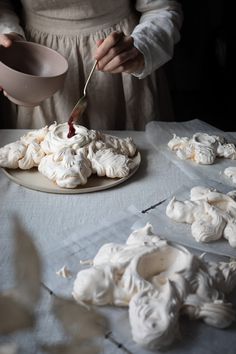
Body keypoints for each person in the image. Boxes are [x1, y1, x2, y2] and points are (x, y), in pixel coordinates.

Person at [0, 1, 183, 130]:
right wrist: (7, 34)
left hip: (121, 62)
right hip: (35, 64)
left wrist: (142, 46)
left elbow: (163, 8)